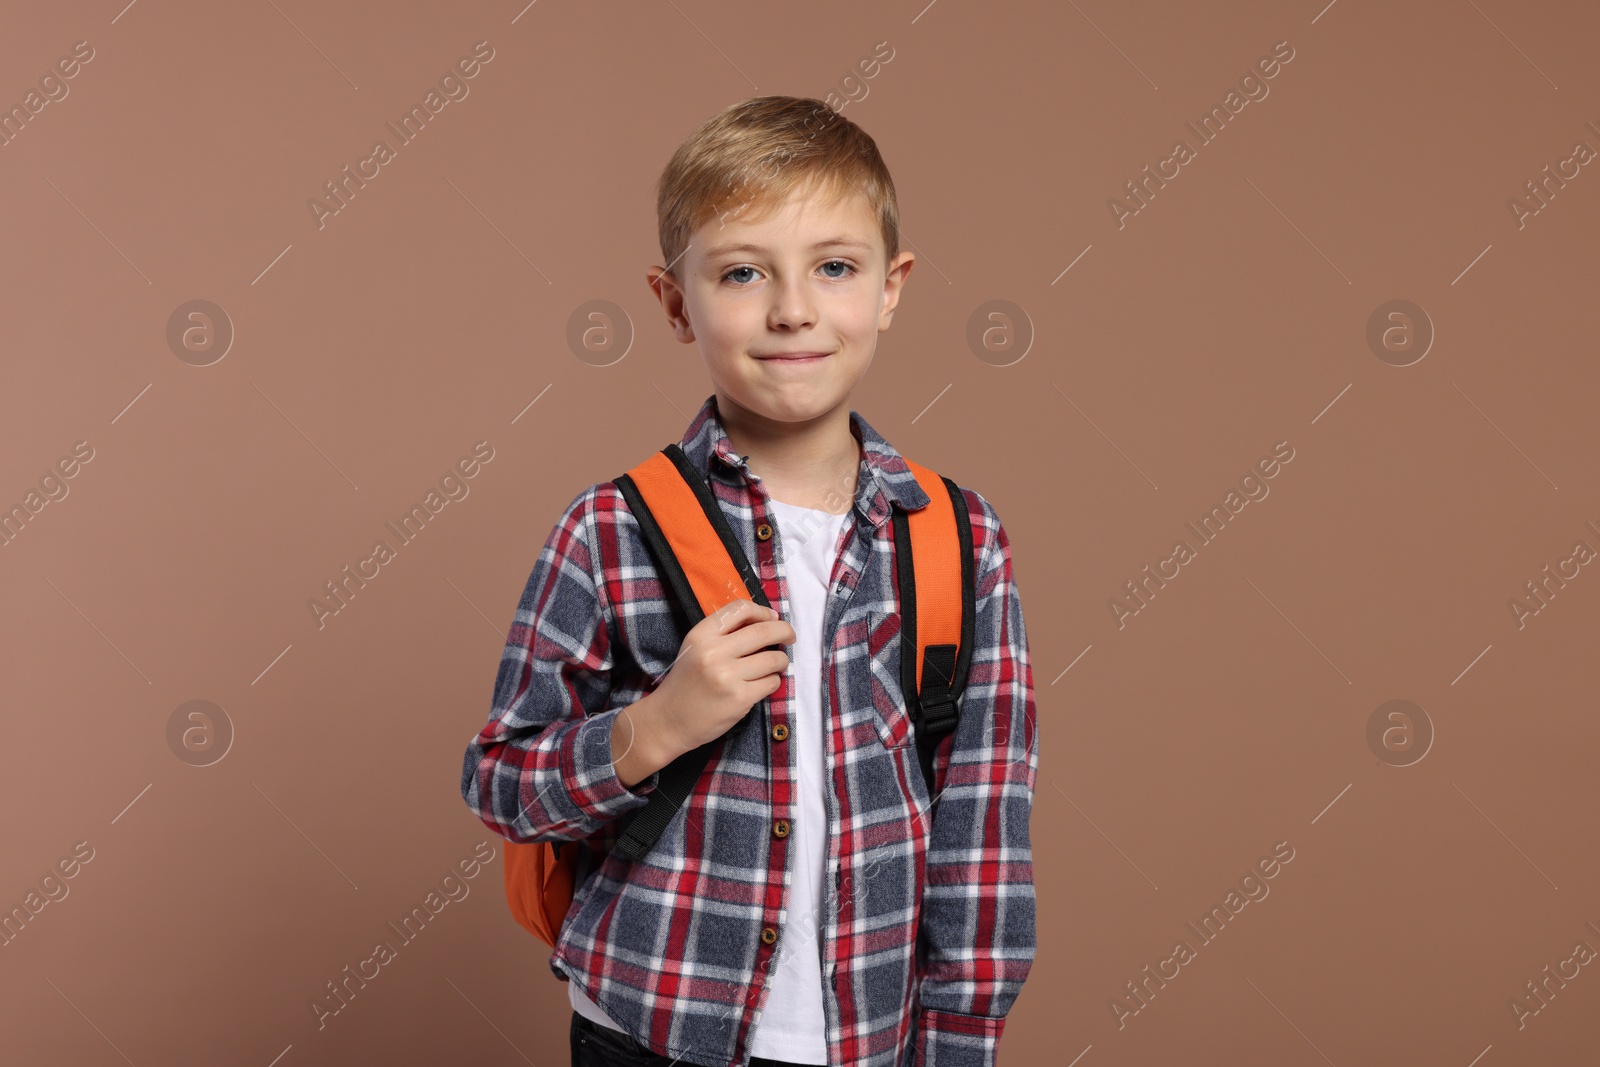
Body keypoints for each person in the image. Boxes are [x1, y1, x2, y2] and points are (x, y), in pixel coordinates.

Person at [460, 95, 1038, 1067]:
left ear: (891, 289)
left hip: (873, 1041)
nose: (792, 309)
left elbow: (983, 826)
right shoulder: (612, 530)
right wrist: (653, 726)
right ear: (674, 301)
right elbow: (501, 783)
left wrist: (959, 1041)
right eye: (740, 272)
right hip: (647, 1027)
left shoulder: (957, 538)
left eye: (835, 267)